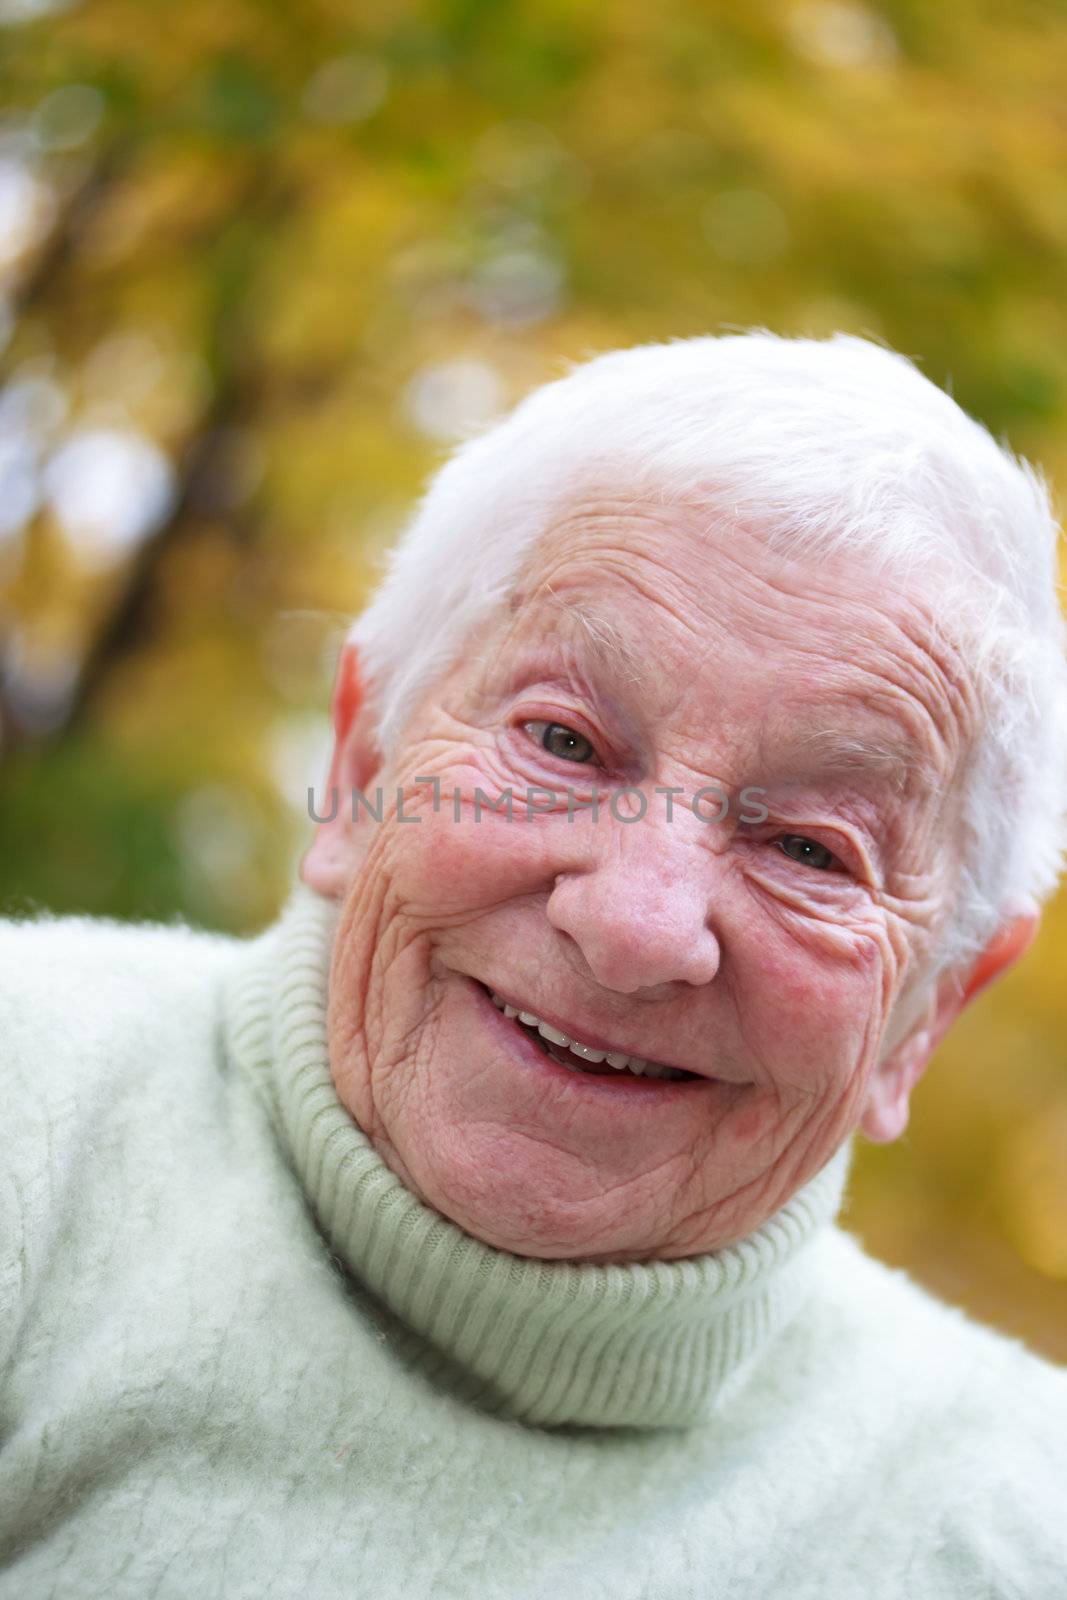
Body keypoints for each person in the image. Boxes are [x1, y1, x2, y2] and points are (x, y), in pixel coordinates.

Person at [2, 331, 1066, 1599]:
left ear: (925, 1011)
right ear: (358, 768)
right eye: (561, 739)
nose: (636, 924)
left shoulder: (1009, 1531)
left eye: (808, 848)